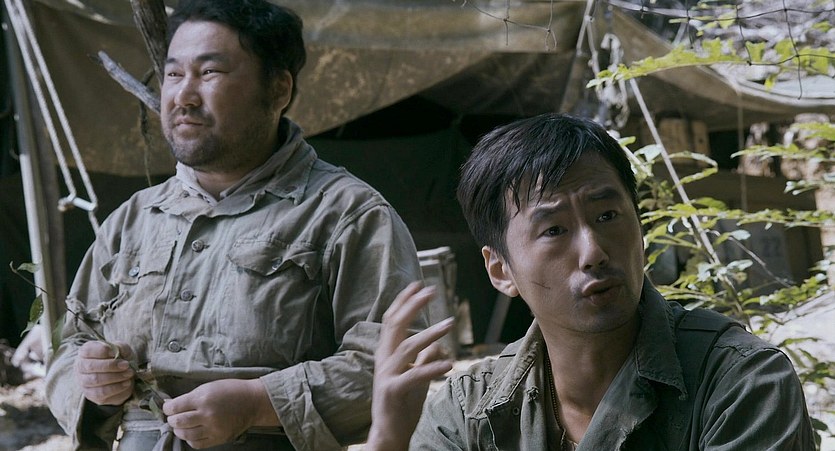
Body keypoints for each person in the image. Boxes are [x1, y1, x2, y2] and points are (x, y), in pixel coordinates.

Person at [44, 1, 424, 449]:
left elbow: (396, 363)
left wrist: (258, 402)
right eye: (173, 74)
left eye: (210, 72)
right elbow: (70, 347)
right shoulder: (133, 220)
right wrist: (90, 379)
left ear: (278, 90)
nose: (183, 96)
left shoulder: (346, 213)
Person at [367, 113, 816, 450]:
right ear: (501, 270)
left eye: (607, 216)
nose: (594, 252)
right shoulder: (468, 411)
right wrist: (387, 441)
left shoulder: (741, 382)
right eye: (554, 230)